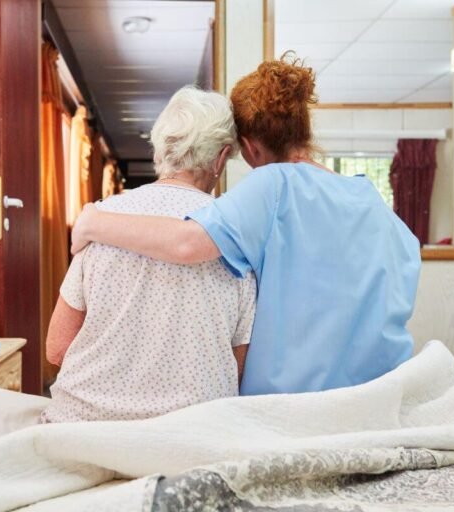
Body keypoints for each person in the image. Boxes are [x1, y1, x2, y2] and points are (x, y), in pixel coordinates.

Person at [71, 56, 421, 396]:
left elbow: (186, 244)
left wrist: (93, 221)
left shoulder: (274, 184)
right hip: (380, 393)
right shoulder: (368, 197)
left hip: (293, 406)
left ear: (250, 147)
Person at [40, 87, 257, 423]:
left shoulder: (100, 220)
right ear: (220, 158)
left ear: (161, 149)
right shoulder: (235, 236)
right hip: (188, 436)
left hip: (83, 429)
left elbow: (57, 348)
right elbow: (239, 367)